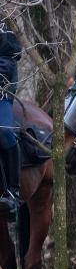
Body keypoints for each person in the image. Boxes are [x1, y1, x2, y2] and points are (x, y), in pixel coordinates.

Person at [0, 18, 21, 218]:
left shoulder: (5, 26)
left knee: (4, 132)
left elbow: (6, 63)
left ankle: (12, 191)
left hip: (1, 94)